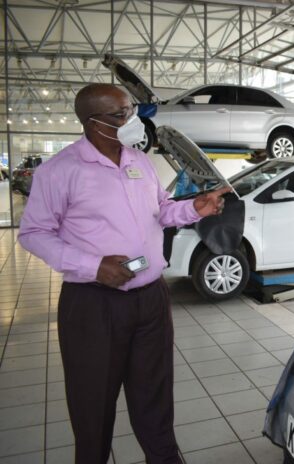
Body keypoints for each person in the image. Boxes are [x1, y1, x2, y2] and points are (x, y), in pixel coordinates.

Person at [18, 83, 228, 464]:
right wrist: (93, 267)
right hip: (93, 305)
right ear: (92, 122)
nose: (131, 121)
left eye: (131, 111)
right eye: (120, 115)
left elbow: (161, 212)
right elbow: (33, 234)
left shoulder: (139, 162)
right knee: (92, 403)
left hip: (151, 299)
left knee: (155, 397)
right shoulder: (60, 171)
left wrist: (195, 208)